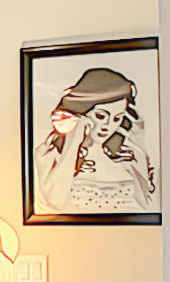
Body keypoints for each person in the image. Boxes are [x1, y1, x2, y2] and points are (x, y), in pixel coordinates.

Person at [36, 66, 157, 213]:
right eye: (100, 116)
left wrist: (139, 141)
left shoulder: (129, 155)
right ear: (82, 111)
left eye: (117, 118)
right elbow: (55, 203)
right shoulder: (48, 152)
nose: (108, 126)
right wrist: (74, 139)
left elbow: (149, 206)